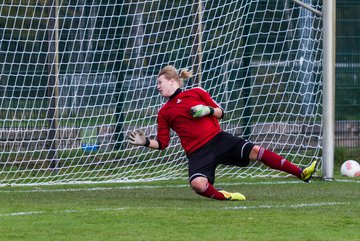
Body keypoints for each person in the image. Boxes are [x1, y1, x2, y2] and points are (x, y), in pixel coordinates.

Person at [129, 65, 317, 201]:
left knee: (256, 151)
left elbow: (221, 112)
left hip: (219, 140)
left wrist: (207, 110)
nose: (158, 86)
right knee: (198, 185)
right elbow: (163, 144)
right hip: (197, 153)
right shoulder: (164, 112)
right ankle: (225, 195)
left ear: (172, 81)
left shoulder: (196, 92)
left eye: (160, 82)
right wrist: (145, 141)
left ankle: (301, 173)